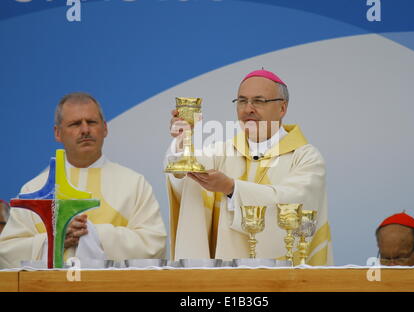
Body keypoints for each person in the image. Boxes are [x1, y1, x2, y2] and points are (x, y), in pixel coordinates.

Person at [166, 69, 333, 265]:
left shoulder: (305, 157)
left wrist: (232, 189)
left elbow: (295, 203)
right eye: (242, 101)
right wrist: (182, 139)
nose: (248, 109)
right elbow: (184, 180)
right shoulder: (221, 152)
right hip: (226, 279)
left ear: (282, 108)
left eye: (259, 101)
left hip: (283, 279)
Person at [0, 92, 167, 268]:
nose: (85, 130)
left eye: (92, 122)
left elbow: (154, 245)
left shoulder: (134, 184)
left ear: (105, 128)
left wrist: (94, 234)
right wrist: (55, 240)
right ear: (58, 133)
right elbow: (7, 252)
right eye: (75, 124)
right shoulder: (33, 190)